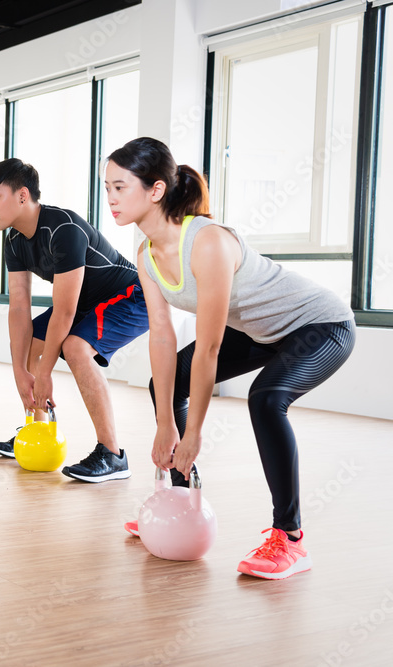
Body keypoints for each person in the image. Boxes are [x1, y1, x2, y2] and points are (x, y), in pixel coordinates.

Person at [106, 137, 355, 579]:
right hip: (263, 332)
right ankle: (179, 503)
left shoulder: (207, 243)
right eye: (107, 187)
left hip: (320, 325)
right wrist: (166, 422)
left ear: (156, 190)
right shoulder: (146, 254)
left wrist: (194, 432)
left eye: (120, 187)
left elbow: (210, 347)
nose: (110, 198)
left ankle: (290, 539)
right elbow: (161, 338)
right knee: (164, 384)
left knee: (265, 398)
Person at [0, 159, 149, 482]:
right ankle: (37, 431)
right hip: (85, 303)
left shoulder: (62, 228)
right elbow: (19, 308)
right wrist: (20, 371)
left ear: (22, 195)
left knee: (75, 347)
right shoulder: (14, 241)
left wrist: (44, 374)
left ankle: (113, 454)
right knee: (29, 343)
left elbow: (65, 311)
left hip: (132, 295)